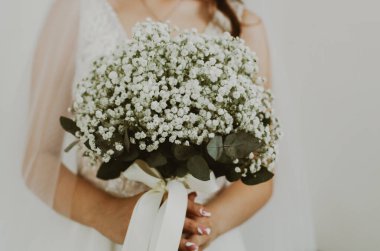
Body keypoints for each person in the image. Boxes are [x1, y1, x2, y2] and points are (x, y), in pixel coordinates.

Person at [21, 0, 313, 250]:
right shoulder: (79, 10)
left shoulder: (241, 25)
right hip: (101, 237)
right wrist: (108, 214)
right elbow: (38, 161)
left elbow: (260, 173)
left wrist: (200, 228)